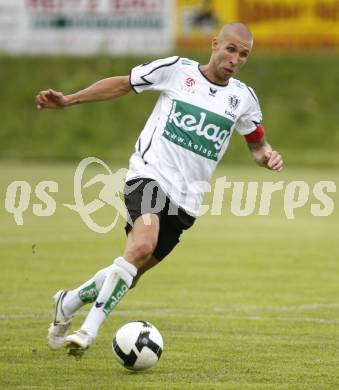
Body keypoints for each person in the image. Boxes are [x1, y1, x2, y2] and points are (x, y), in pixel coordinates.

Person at [35, 22, 283, 358]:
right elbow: (123, 84)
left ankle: (70, 300)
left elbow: (257, 145)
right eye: (230, 49)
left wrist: (266, 156)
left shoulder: (243, 98)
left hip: (187, 201)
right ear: (214, 45)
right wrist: (70, 100)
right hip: (149, 175)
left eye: (243, 55)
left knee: (131, 270)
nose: (235, 59)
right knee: (142, 244)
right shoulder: (176, 71)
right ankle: (87, 331)